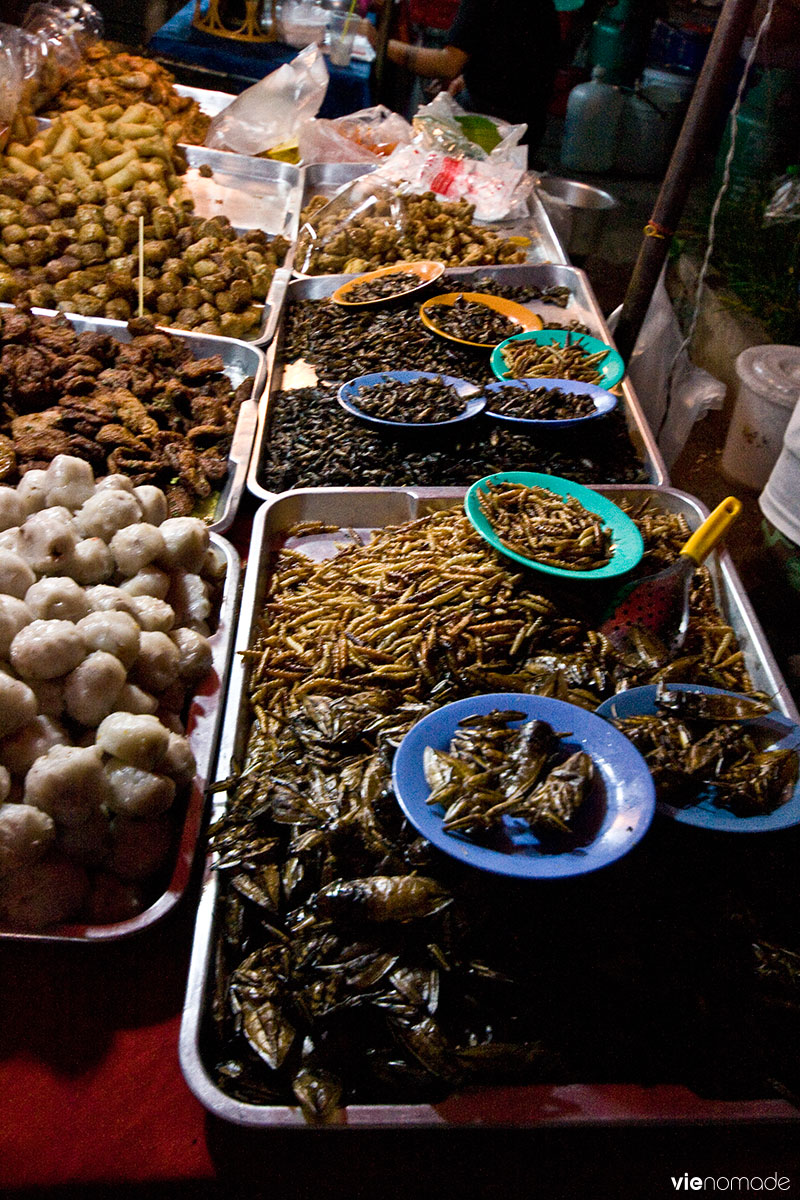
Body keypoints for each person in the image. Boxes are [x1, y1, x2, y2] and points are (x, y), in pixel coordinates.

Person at [363, 0, 562, 159]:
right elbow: (512, 49)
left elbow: (447, 65)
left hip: (494, 133)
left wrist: (379, 43)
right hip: (527, 130)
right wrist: (471, 74)